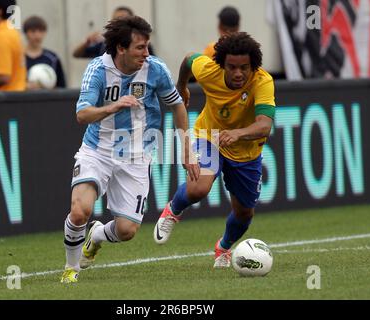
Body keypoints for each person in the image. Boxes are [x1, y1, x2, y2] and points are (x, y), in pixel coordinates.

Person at [60, 16, 199, 283]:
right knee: (80, 211)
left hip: (136, 154)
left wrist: (186, 147)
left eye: (147, 46)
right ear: (121, 49)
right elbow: (82, 115)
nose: (146, 53)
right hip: (97, 150)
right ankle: (70, 269)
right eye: (140, 48)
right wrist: (111, 107)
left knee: (126, 231)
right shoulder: (98, 71)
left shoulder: (155, 69)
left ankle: (97, 236)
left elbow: (178, 105)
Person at [153, 32, 276, 268]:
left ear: (253, 66)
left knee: (244, 214)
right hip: (209, 136)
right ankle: (173, 210)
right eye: (232, 67)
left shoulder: (263, 82)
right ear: (222, 64)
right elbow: (189, 59)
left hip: (246, 152)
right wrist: (181, 86)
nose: (238, 73)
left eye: (244, 67)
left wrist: (238, 134)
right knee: (199, 187)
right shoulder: (209, 71)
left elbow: (264, 125)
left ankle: (224, 247)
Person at [73, 6, 155, 59]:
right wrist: (87, 42)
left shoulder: (142, 44)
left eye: (122, 20)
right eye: (115, 20)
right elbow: (76, 54)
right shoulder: (104, 44)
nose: (118, 24)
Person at [23, 16, 67, 89]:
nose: (37, 36)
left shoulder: (53, 58)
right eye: (33, 31)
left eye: (41, 31)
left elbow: (62, 86)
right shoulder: (19, 58)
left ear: (45, 33)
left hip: (48, 99)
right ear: (26, 33)